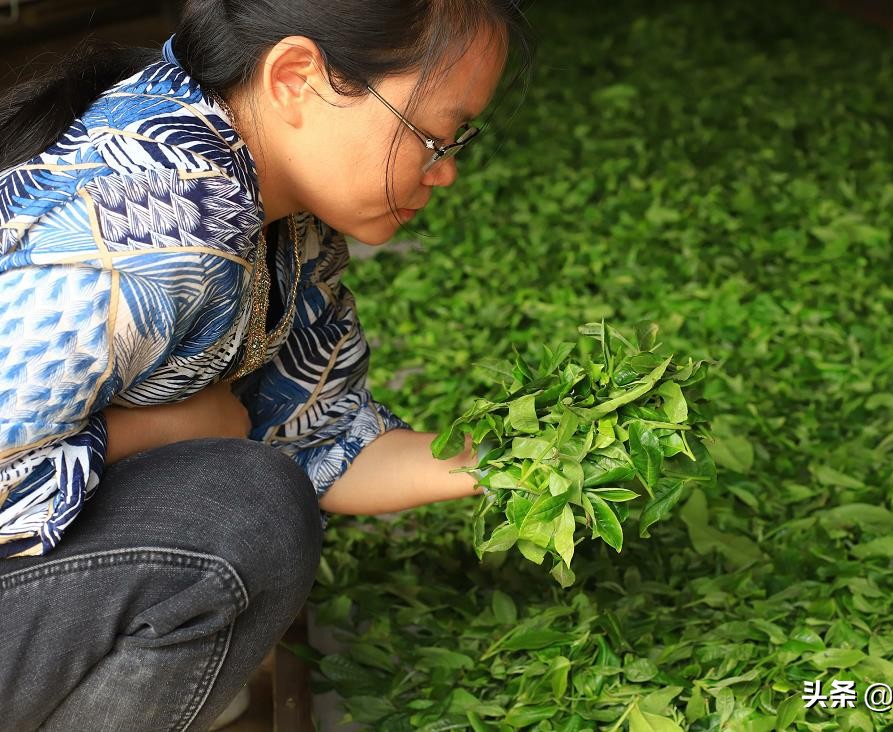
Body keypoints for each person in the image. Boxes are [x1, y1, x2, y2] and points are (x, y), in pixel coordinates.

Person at [0, 0, 531, 728]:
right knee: (244, 516)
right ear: (296, 78)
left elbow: (319, 437)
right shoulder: (160, 226)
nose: (446, 173)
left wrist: (526, 463)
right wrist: (171, 429)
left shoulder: (287, 221)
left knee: (252, 495)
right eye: (433, 137)